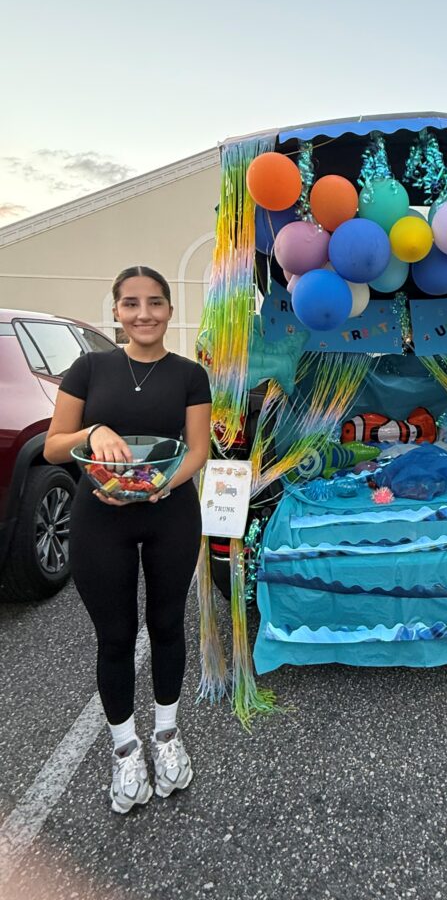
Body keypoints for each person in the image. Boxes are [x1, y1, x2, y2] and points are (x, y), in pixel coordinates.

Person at [44, 266, 211, 814]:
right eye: (132, 303)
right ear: (116, 310)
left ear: (168, 309)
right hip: (101, 517)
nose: (145, 314)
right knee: (115, 637)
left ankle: (166, 736)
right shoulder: (89, 368)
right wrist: (93, 431)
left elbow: (196, 452)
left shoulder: (190, 374)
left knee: (166, 625)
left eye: (156, 303)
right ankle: (124, 750)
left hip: (169, 511)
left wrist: (159, 486)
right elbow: (52, 448)